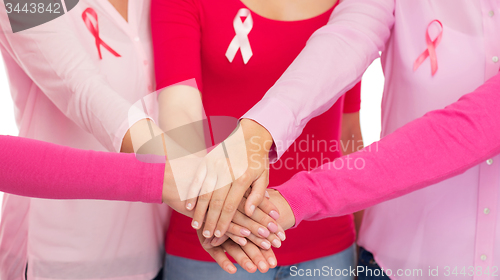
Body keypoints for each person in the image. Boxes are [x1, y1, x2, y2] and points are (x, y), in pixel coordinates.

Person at [208, 0, 500, 279]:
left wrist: (295, 199)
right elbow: (348, 36)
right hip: (395, 260)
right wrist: (258, 130)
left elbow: (471, 128)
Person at [0, 0, 277, 278]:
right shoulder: (24, 4)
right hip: (61, 253)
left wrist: (215, 202)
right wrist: (209, 197)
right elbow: (82, 90)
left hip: (150, 245)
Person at [151, 0, 363, 278]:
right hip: (215, 243)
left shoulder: (353, 8)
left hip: (328, 244)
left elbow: (349, 132)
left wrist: (364, 235)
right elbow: (179, 112)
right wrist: (222, 210)